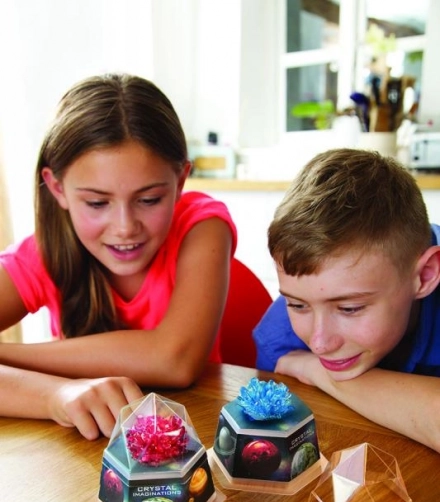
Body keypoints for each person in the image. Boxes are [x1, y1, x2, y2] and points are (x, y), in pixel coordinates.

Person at [0, 73, 236, 440]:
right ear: (58, 188)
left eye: (149, 199)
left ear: (180, 181)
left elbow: (174, 360)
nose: (125, 227)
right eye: (97, 203)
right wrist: (55, 395)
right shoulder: (42, 253)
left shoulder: (203, 227)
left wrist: (8, 355)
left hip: (196, 442)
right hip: (81, 447)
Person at [253, 148, 440, 452]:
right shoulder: (280, 336)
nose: (320, 344)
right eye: (297, 304)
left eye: (350, 308)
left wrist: (315, 371)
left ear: (426, 274)